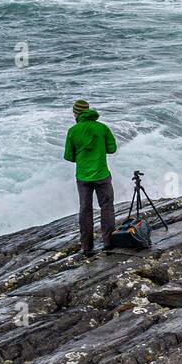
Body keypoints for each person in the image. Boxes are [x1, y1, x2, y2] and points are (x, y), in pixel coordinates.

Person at [63, 99, 118, 255]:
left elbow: (69, 156)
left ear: (76, 113)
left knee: (85, 210)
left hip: (83, 177)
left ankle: (87, 247)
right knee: (107, 207)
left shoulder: (73, 131)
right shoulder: (102, 128)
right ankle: (108, 242)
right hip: (102, 174)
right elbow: (112, 149)